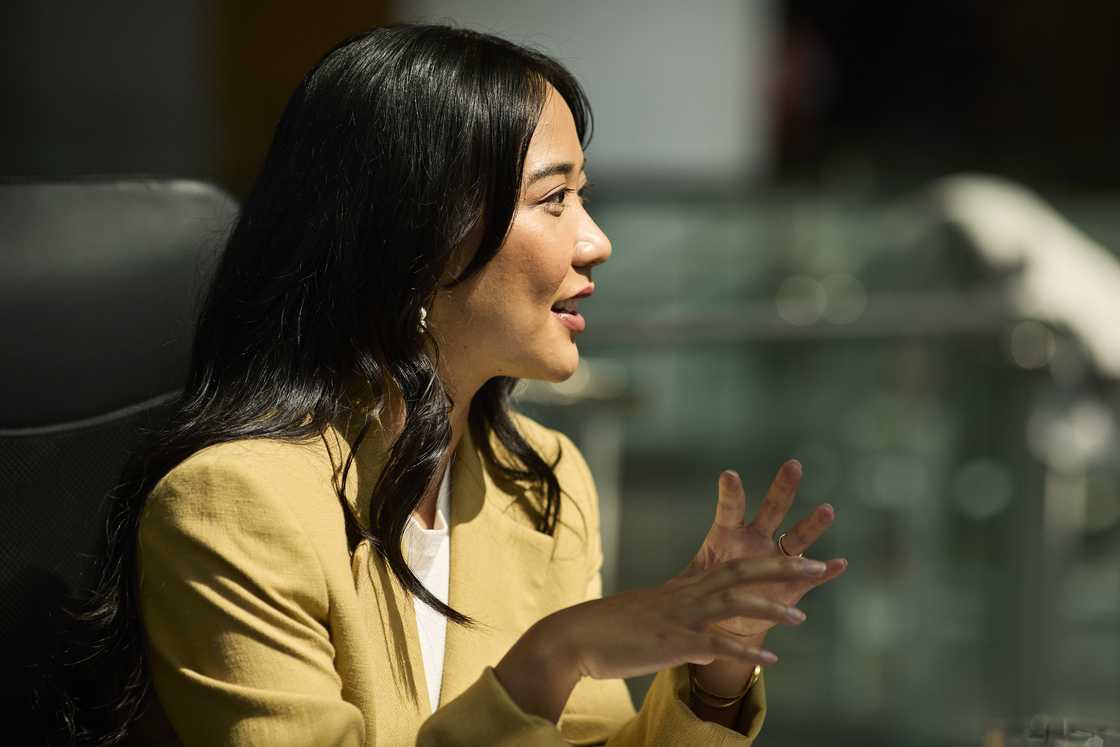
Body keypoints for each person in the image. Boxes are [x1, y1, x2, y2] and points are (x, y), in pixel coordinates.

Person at [62, 24, 846, 746]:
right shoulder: (233, 507)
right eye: (554, 198)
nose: (596, 241)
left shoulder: (544, 485)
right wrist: (555, 654)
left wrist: (713, 675)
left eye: (584, 196)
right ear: (418, 234)